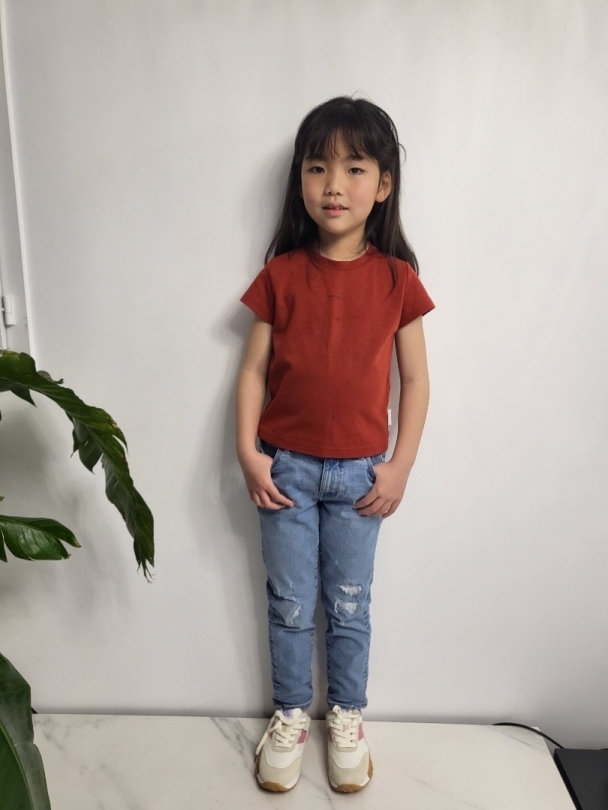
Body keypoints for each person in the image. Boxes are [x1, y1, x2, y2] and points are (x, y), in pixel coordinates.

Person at [236, 96, 435, 793]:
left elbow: (416, 380)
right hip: (284, 471)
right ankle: (291, 714)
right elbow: (253, 371)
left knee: (350, 603)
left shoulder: (397, 280)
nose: (334, 184)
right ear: (300, 180)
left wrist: (400, 466)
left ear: (383, 184)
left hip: (361, 478)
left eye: (355, 168)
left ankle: (346, 716)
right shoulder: (282, 274)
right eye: (318, 167)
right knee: (290, 603)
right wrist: (248, 452)